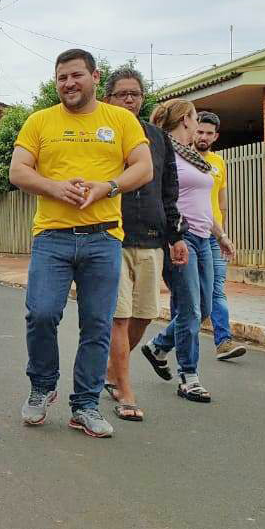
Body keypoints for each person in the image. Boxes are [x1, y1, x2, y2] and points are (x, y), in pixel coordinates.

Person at [8, 49, 153, 438]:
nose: (68, 83)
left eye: (76, 75)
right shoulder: (40, 121)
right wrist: (54, 187)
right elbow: (18, 170)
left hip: (103, 237)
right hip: (51, 237)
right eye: (62, 78)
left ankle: (86, 404)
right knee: (41, 314)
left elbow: (144, 167)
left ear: (94, 76)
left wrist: (108, 187)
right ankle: (42, 386)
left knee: (97, 323)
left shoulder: (120, 120)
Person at [100, 68, 186, 423]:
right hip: (112, 235)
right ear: (108, 99)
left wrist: (176, 236)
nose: (129, 100)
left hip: (152, 237)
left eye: (135, 94)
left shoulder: (157, 138)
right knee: (119, 316)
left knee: (145, 313)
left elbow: (169, 190)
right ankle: (125, 389)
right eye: (122, 94)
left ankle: (111, 371)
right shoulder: (100, 133)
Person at [139, 100, 236, 403]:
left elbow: (205, 204)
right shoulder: (164, 152)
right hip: (181, 239)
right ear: (185, 120)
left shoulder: (194, 157)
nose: (198, 125)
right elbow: (160, 198)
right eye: (195, 118)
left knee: (204, 308)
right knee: (190, 309)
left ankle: (158, 346)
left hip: (205, 238)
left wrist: (221, 235)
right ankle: (189, 377)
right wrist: (171, 237)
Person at [194, 111, 246, 360]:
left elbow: (221, 201)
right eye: (199, 131)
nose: (203, 137)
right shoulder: (182, 159)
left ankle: (224, 341)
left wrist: (222, 233)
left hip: (214, 236)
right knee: (192, 294)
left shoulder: (219, 162)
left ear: (216, 136)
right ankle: (166, 342)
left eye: (208, 133)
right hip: (190, 234)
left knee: (216, 289)